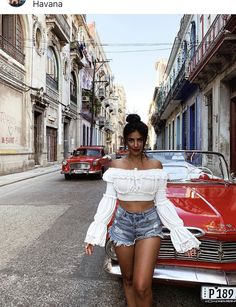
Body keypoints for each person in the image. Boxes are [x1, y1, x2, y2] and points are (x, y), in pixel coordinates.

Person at [84, 114, 200, 307]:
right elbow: (109, 200)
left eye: (139, 140)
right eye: (131, 140)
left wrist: (181, 233)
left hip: (150, 224)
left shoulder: (156, 166)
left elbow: (162, 203)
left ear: (145, 140)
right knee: (127, 279)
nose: (136, 145)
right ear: (126, 141)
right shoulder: (117, 165)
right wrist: (95, 231)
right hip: (122, 225)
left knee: (142, 285)